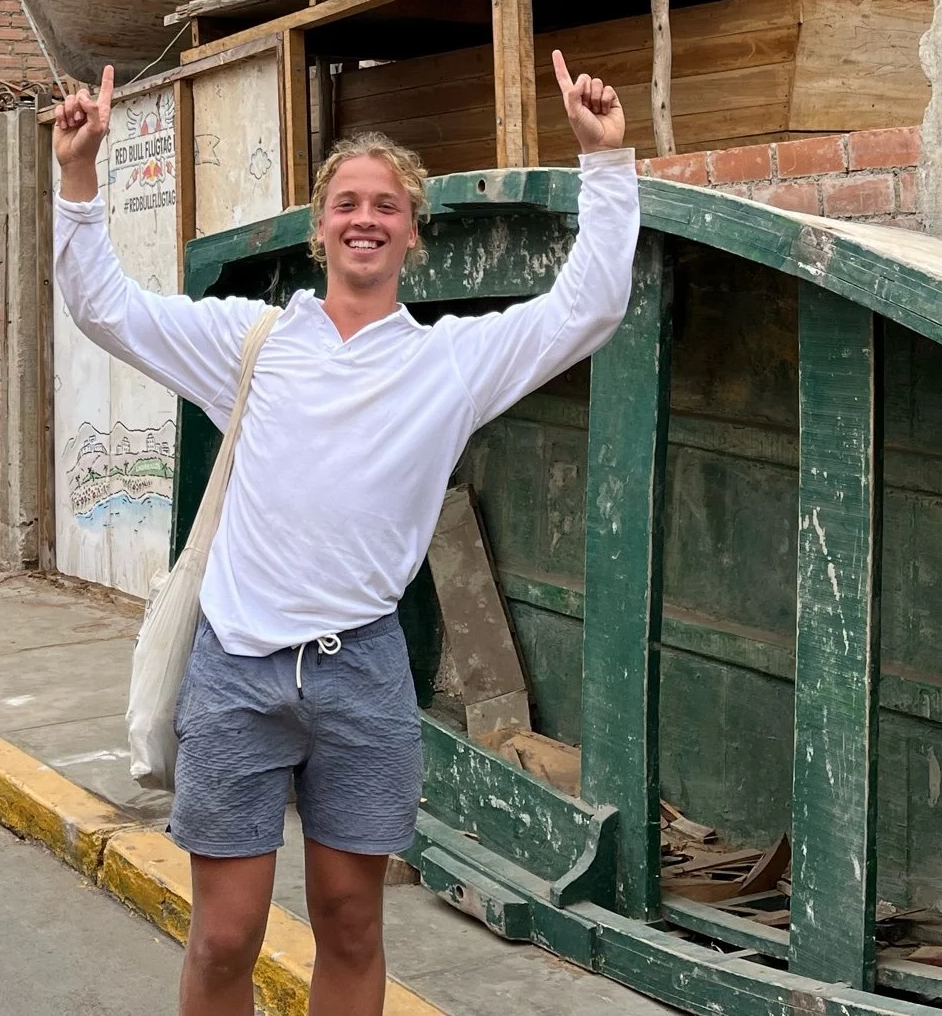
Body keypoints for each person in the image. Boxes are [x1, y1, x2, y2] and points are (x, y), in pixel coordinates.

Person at [53, 51, 639, 1016]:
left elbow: (588, 308)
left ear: (413, 230)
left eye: (387, 205)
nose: (365, 217)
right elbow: (105, 307)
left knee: (351, 920)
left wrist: (605, 166)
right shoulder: (254, 342)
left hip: (360, 672)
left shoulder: (450, 363)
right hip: (238, 668)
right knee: (225, 934)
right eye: (347, 202)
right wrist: (80, 178)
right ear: (321, 226)